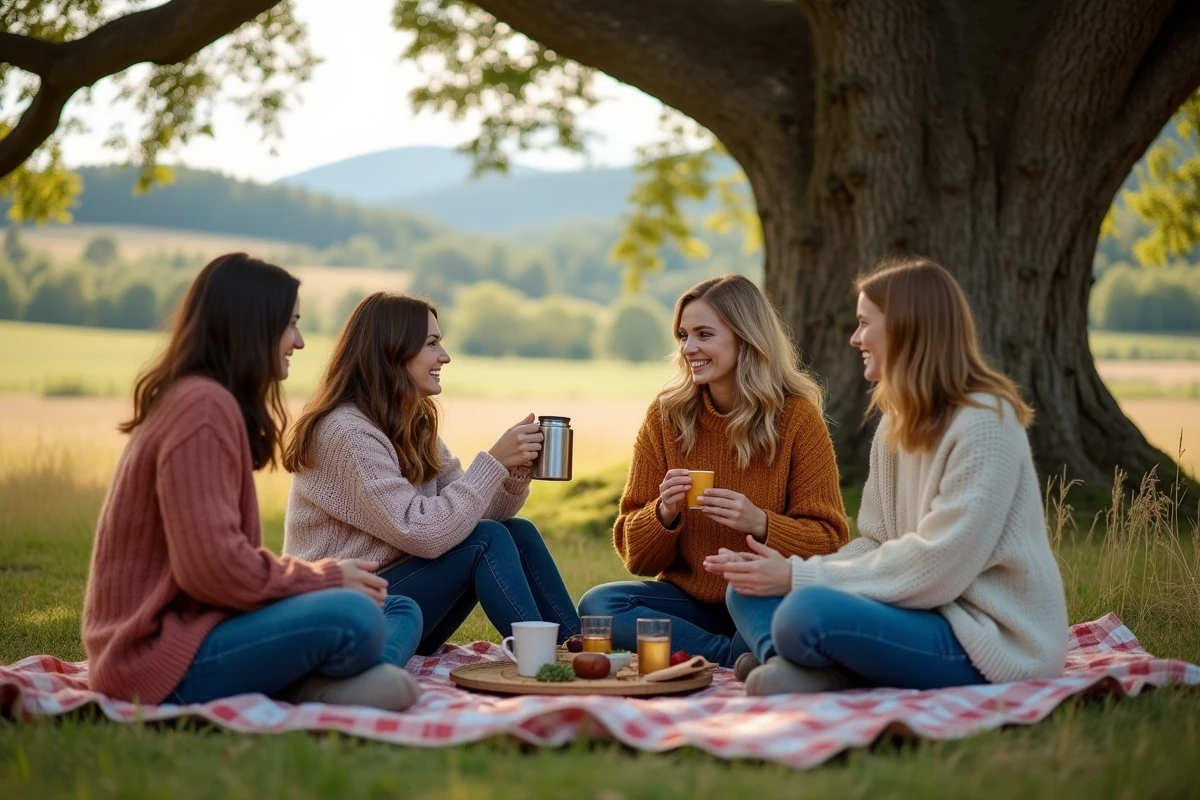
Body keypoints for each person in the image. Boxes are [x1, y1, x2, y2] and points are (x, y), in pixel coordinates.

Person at [710, 256, 1069, 695]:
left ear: (905, 327)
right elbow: (876, 544)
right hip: (911, 611)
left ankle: (811, 666)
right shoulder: (895, 423)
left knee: (804, 612)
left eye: (864, 323)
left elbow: (939, 566)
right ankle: (807, 669)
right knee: (745, 590)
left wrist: (797, 578)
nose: (854, 338)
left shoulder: (985, 423)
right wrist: (788, 568)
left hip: (979, 635)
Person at [82, 253, 423, 710]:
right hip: (155, 658)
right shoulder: (202, 409)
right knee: (357, 615)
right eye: (291, 324)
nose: (298, 342)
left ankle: (320, 681)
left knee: (396, 606)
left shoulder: (203, 400)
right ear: (252, 326)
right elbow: (213, 569)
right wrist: (320, 578)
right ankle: (309, 686)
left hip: (201, 625)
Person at [282, 292, 580, 654]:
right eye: (432, 344)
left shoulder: (412, 424)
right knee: (487, 539)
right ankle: (540, 659)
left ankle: (580, 650)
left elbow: (466, 520)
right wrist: (493, 463)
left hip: (401, 599)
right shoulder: (346, 433)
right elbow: (424, 533)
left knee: (516, 532)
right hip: (343, 613)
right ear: (393, 350)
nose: (445, 356)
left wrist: (512, 472)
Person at [577, 275, 849, 667]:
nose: (689, 348)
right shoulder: (667, 417)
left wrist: (760, 523)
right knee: (600, 604)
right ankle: (730, 655)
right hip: (689, 602)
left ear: (746, 338)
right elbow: (636, 557)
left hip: (763, 594)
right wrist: (663, 513)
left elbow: (830, 541)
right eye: (683, 335)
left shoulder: (796, 418)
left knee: (781, 623)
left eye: (704, 334)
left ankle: (731, 649)